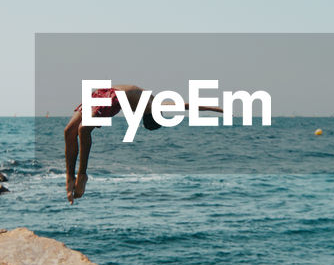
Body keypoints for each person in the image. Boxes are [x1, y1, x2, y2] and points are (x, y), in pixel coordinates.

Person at [64, 84, 222, 203]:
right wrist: (217, 109)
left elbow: (187, 105)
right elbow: (188, 106)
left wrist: (216, 109)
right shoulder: (153, 104)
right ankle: (70, 176)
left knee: (82, 130)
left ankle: (81, 175)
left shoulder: (153, 105)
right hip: (103, 93)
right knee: (69, 131)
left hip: (111, 95)